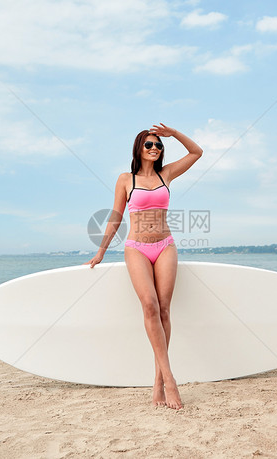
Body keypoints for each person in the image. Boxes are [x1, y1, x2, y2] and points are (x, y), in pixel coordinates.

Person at [85, 123, 202, 410]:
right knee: (149, 305)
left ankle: (158, 381)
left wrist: (173, 134)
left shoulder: (167, 174)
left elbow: (197, 152)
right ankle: (170, 379)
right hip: (136, 248)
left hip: (165, 247)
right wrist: (101, 251)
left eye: (158, 145)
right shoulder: (126, 179)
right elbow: (115, 216)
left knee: (163, 309)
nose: (154, 148)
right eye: (149, 144)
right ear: (139, 148)